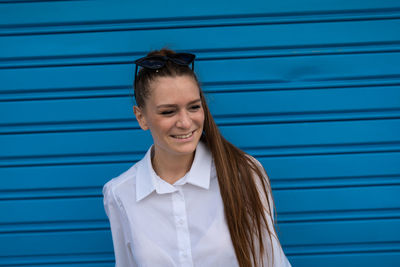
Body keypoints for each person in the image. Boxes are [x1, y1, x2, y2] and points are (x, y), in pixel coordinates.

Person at [103, 48, 291, 267]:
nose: (185, 122)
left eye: (193, 107)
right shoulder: (119, 194)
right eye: (168, 112)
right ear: (141, 117)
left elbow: (270, 261)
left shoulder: (244, 173)